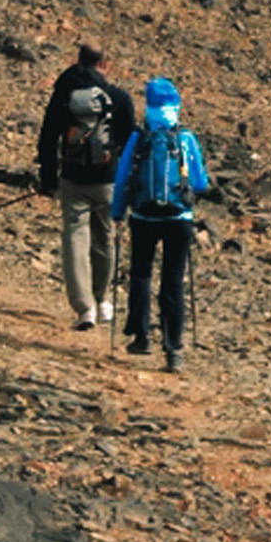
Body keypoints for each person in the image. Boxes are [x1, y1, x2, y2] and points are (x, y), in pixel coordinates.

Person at [110, 75, 210, 371]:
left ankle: (142, 337)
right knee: (173, 280)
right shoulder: (186, 139)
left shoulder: (138, 139)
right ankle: (173, 348)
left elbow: (121, 180)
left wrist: (117, 212)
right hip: (179, 219)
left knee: (141, 274)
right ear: (175, 106)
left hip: (143, 217)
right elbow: (200, 181)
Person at [36, 43, 137, 332]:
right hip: (108, 180)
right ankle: (104, 300)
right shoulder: (118, 98)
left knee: (75, 239)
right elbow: (130, 141)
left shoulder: (64, 95)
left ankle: (84, 309)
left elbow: (47, 138)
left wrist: (48, 178)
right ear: (105, 64)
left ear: (78, 61)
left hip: (72, 179)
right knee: (105, 237)